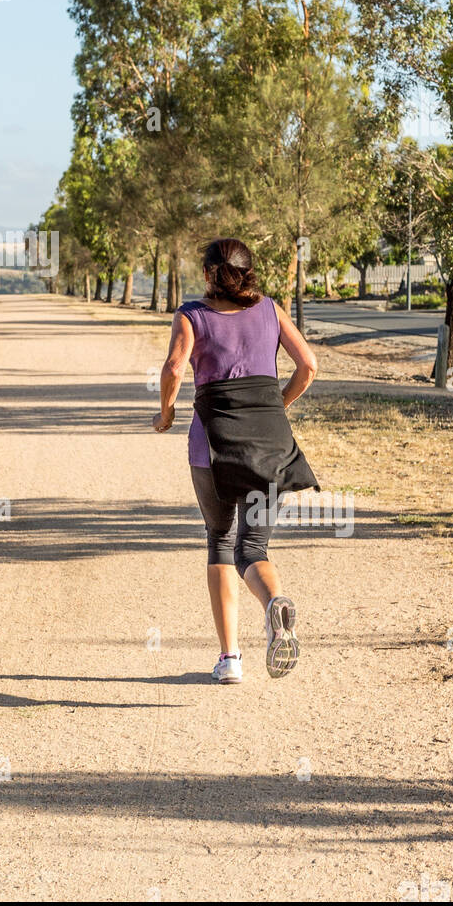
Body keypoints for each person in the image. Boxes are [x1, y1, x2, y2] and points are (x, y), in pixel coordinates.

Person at [153, 238, 320, 684]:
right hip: (271, 445)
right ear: (248, 273)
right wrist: (277, 405)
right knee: (254, 548)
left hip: (213, 447)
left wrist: (166, 414)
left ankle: (230, 658)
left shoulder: (193, 314)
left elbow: (173, 369)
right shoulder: (270, 310)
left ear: (209, 274)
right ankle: (273, 605)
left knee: (220, 540)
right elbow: (309, 365)